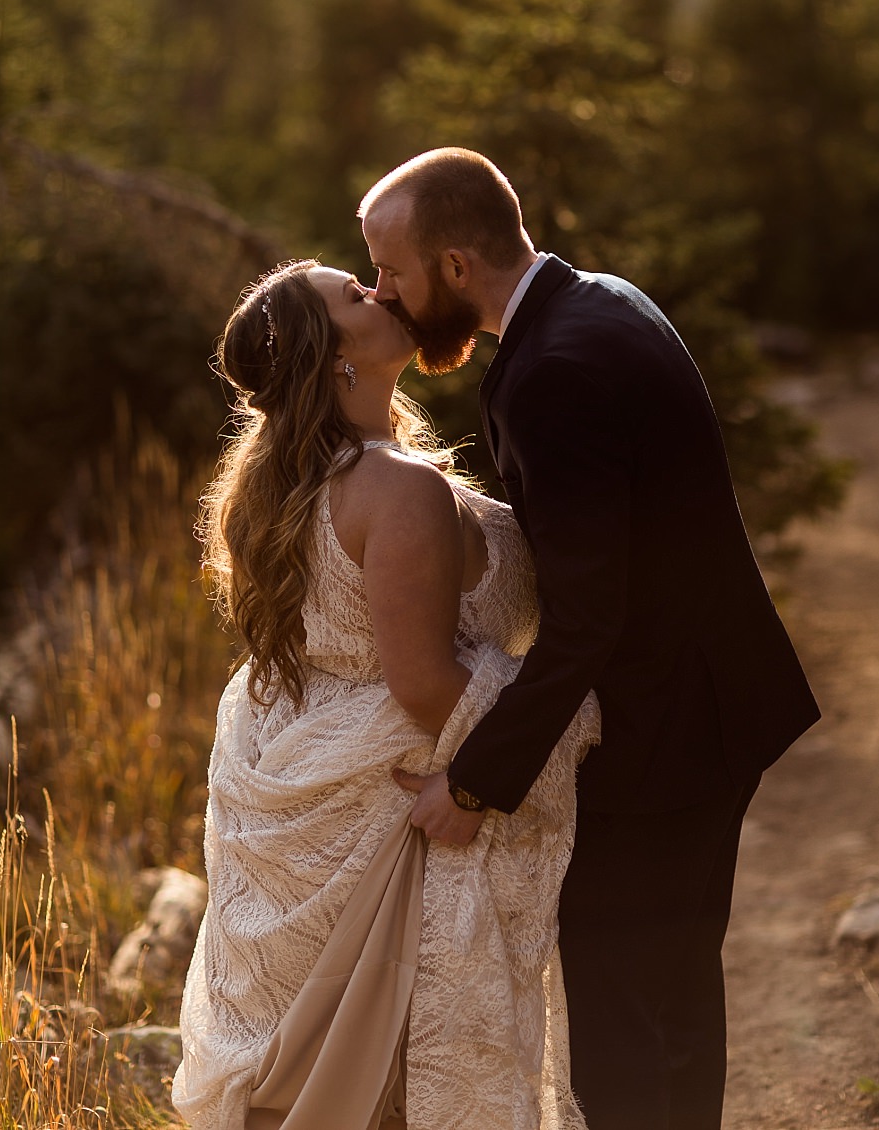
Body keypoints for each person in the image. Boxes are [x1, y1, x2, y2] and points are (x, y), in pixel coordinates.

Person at [359, 147, 820, 1130]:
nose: (380, 293)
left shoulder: (554, 372)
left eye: (390, 272)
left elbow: (585, 620)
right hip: (711, 699)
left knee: (618, 1017)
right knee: (674, 989)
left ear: (450, 266)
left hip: (657, 732)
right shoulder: (596, 298)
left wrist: (475, 781)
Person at [174, 258, 599, 1130]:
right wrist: (571, 737)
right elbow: (421, 681)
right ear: (334, 358)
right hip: (394, 797)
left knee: (340, 1081)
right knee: (392, 1082)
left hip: (308, 769)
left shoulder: (290, 477)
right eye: (353, 296)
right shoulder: (397, 489)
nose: (381, 292)